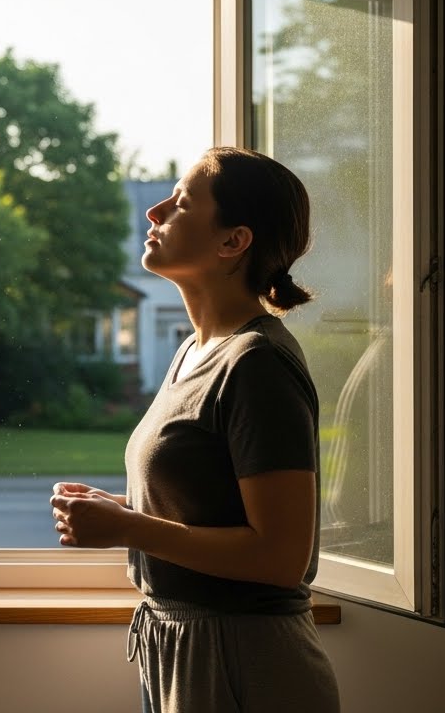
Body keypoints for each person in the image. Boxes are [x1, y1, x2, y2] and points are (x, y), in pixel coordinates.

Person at [50, 147, 339, 713]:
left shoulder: (257, 362)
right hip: (184, 646)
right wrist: (119, 510)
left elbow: (280, 557)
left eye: (181, 203)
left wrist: (129, 526)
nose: (155, 212)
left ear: (233, 241)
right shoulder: (193, 351)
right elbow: (210, 508)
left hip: (244, 657)